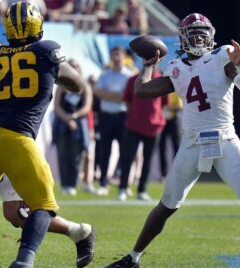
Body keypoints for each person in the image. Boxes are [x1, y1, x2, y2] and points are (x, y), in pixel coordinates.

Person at [102, 13, 240, 268]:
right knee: (167, 204)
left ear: (211, 35)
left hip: (225, 139)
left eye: (204, 32)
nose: (200, 37)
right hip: (191, 143)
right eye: (194, 33)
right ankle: (133, 257)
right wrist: (147, 64)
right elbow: (142, 91)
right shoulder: (176, 66)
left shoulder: (223, 56)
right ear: (183, 38)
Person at [0, 2, 87, 268]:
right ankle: (23, 264)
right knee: (43, 205)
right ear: (37, 25)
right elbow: (77, 84)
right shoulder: (46, 50)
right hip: (15, 138)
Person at [116, 65, 166, 201]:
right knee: (127, 158)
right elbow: (127, 101)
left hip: (155, 126)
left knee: (148, 159)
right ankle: (122, 188)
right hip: (134, 125)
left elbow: (163, 102)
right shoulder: (133, 79)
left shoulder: (162, 79)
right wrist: (136, 115)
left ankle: (142, 190)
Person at [92, 45, 133, 195]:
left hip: (122, 117)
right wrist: (117, 96)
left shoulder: (128, 76)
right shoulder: (105, 75)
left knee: (125, 152)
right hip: (106, 117)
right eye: (113, 55)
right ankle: (103, 184)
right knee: (105, 152)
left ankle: (124, 185)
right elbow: (98, 91)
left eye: (118, 55)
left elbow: (127, 96)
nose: (116, 58)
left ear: (123, 56)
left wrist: (109, 95)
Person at [52, 58, 93, 195]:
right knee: (63, 155)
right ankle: (64, 185)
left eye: (76, 66)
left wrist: (74, 117)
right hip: (62, 124)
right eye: (71, 66)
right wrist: (67, 119)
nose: (74, 68)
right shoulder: (61, 86)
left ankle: (73, 185)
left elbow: (87, 107)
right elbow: (56, 106)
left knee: (77, 156)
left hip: (79, 126)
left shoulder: (85, 86)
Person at [159, 91, 182, 181]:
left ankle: (176, 172)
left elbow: (179, 107)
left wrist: (168, 107)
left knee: (175, 146)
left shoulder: (175, 93)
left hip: (173, 121)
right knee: (162, 147)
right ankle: (163, 174)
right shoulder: (161, 93)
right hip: (162, 122)